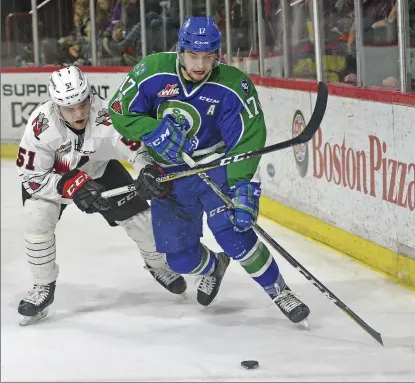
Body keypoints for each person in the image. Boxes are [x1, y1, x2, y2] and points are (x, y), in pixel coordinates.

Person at [108, 16, 310, 324]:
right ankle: (213, 266)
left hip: (215, 167)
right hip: (170, 176)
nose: (201, 64)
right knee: (179, 259)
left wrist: (244, 186)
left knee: (235, 236)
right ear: (180, 50)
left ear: (217, 53)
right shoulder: (151, 72)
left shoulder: (233, 84)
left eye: (208, 56)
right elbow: (119, 111)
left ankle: (279, 290)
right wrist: (152, 130)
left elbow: (247, 138)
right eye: (193, 55)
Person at [16, 65, 187, 326]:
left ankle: (157, 265)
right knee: (36, 218)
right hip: (55, 179)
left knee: (142, 221)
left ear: (90, 95)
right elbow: (31, 178)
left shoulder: (106, 114)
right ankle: (43, 286)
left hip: (99, 172)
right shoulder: (41, 126)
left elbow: (134, 149)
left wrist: (147, 170)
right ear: (56, 106)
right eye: (70, 108)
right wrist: (70, 185)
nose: (79, 113)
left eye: (83, 103)